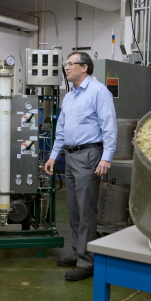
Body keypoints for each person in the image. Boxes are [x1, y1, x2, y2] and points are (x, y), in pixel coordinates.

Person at [45, 52, 117, 281]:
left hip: (89, 155)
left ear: (84, 67)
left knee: (86, 211)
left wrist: (106, 158)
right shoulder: (70, 96)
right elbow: (62, 129)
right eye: (66, 64)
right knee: (74, 209)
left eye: (70, 64)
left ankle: (87, 262)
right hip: (71, 155)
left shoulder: (99, 92)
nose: (66, 68)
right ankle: (78, 253)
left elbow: (109, 127)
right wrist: (53, 156)